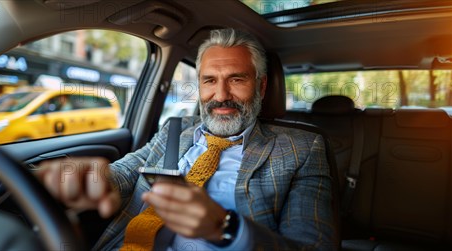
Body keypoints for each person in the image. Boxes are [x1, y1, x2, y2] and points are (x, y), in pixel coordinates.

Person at [37, 28, 336, 250]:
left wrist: (226, 228)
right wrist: (88, 177)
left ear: (260, 86)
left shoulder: (302, 149)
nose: (220, 96)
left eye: (236, 79)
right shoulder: (175, 129)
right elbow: (126, 171)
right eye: (209, 80)